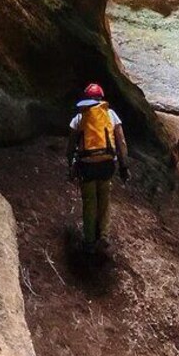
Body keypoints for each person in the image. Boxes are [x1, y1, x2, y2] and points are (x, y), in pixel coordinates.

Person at [66, 83, 130, 253]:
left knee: (89, 201)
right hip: (106, 165)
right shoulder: (110, 114)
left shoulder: (80, 117)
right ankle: (103, 236)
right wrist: (124, 166)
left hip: (86, 166)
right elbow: (121, 141)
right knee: (104, 201)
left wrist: (70, 162)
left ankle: (89, 242)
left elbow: (71, 143)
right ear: (101, 98)